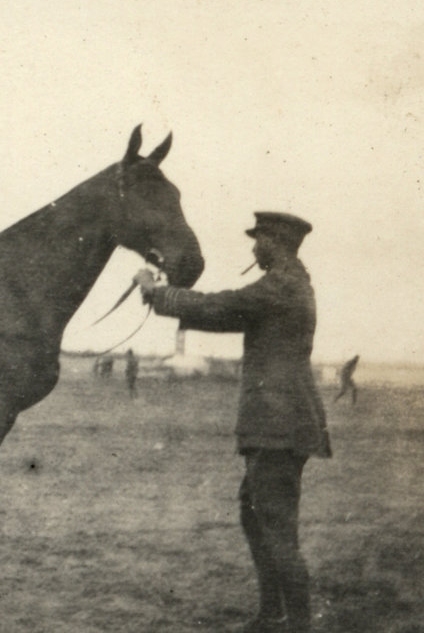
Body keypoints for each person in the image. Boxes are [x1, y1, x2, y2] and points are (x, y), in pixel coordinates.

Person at [135, 211, 332, 633]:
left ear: (274, 242)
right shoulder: (289, 281)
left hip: (280, 425)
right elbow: (221, 310)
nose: (253, 248)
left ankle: (295, 624)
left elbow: (220, 307)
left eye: (257, 240)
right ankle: (273, 615)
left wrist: (157, 294)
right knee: (255, 516)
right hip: (276, 423)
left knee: (276, 527)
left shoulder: (282, 285)